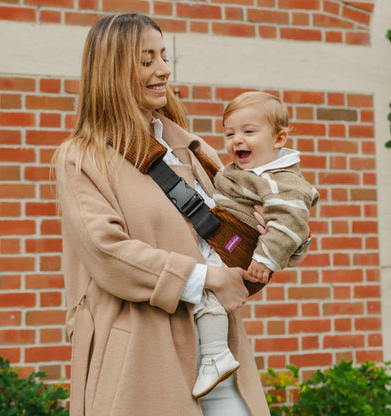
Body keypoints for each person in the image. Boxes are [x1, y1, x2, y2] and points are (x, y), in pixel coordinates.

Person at [54, 12, 274, 416]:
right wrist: (209, 277)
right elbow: (108, 254)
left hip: (220, 358)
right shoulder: (81, 159)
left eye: (164, 56)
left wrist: (260, 234)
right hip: (142, 361)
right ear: (113, 69)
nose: (163, 70)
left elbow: (223, 238)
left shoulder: (191, 148)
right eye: (146, 60)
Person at [193, 91, 319, 400]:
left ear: (279, 139)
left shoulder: (279, 179)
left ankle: (215, 354)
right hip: (229, 238)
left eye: (249, 131)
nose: (237, 139)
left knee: (206, 287)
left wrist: (265, 259)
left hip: (243, 248)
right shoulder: (243, 171)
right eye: (230, 133)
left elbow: (288, 223)